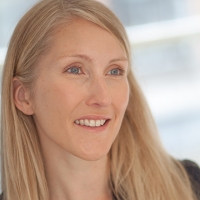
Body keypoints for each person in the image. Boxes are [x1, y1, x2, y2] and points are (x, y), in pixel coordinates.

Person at [1, 0, 200, 200]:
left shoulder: (190, 187)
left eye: (114, 71)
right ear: (23, 96)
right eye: (75, 70)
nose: (103, 98)